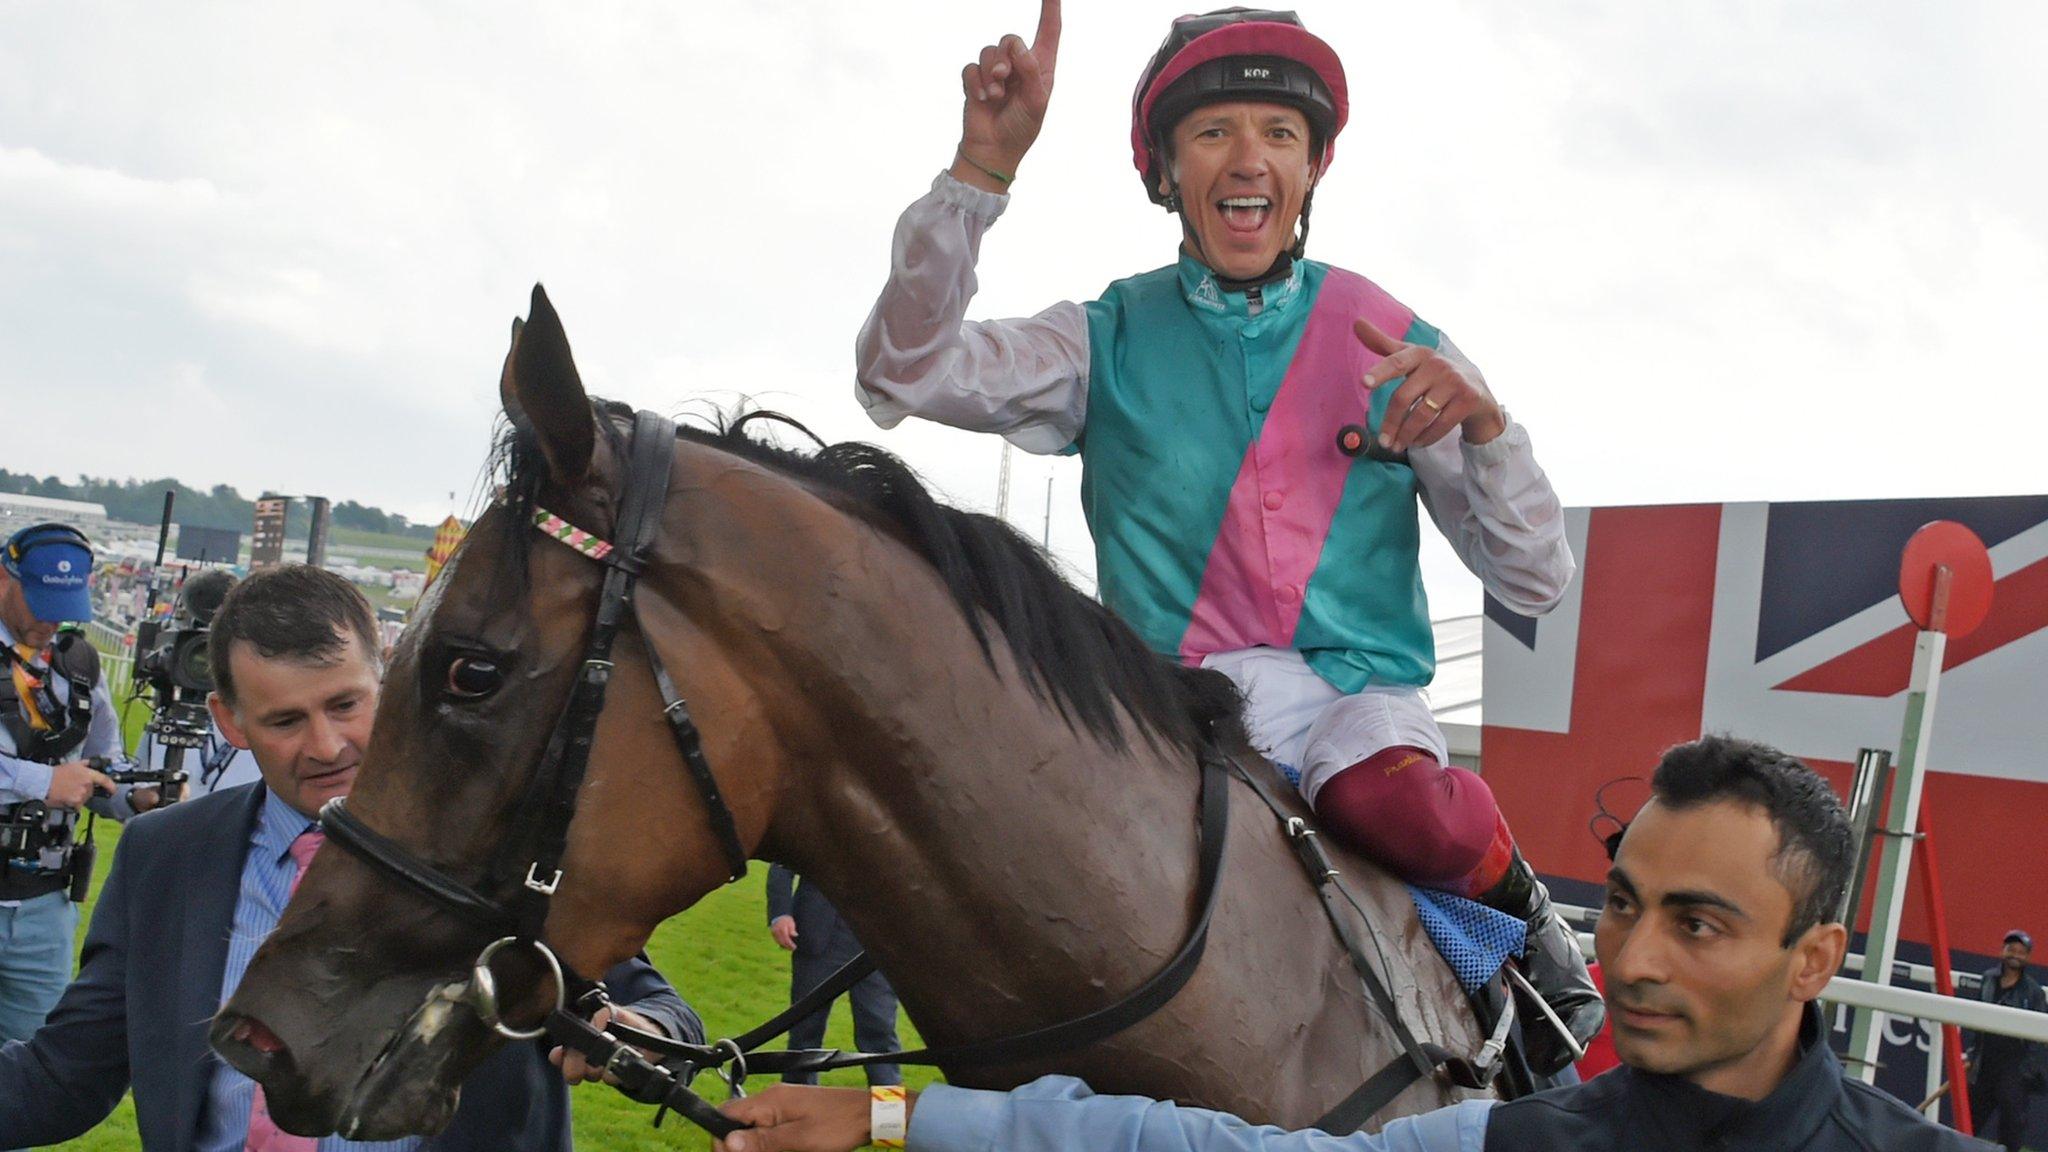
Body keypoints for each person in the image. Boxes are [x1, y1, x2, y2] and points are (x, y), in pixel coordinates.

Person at [852, 1, 1595, 1067]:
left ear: (1310, 168)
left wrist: (1485, 427)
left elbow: (1533, 581)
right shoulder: (1099, 336)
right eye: (1211, 133)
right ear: (1164, 174)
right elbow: (899, 370)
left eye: (1277, 134)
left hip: (1355, 709)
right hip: (1173, 719)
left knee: (1401, 808)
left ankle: (1534, 945)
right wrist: (979, 175)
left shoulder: (1383, 331)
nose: (1246, 158)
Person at [708, 735, 1990, 1152]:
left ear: (1813, 961)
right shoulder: (1521, 1138)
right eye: (1620, 903)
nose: (1634, 959)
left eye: (1697, 924)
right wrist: (891, 1118)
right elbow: (1193, 1146)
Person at [0, 564, 707, 1150]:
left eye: (345, 705)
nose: (328, 746)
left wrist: (645, 1035)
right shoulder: (167, 856)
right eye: (285, 720)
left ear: (390, 680)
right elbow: (61, 1081)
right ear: (229, 720)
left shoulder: (502, 849)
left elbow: (659, 1011)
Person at [0, 522, 165, 1042]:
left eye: (66, 601)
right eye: (41, 599)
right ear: (4, 579)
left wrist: (134, 796)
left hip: (44, 906)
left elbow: (101, 760)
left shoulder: (77, 663)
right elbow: (56, 780)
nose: (53, 617)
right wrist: (39, 780)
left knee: (28, 1079)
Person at [767, 864, 902, 1086]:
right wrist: (780, 913)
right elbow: (782, 865)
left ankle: (888, 1117)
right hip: (819, 938)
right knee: (804, 1033)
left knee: (880, 1035)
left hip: (877, 942)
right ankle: (799, 1110)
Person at [1965, 929, 2047, 1151]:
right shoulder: (1988, 980)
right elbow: (1975, 1020)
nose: (2015, 955)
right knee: (1966, 1125)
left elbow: (2040, 1038)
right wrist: (1972, 1055)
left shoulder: (2034, 992)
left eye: (2021, 952)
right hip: (1984, 1068)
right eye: (2012, 949)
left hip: (2013, 1073)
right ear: (2003, 951)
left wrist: (2025, 1072)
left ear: (2028, 957)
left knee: (2011, 1131)